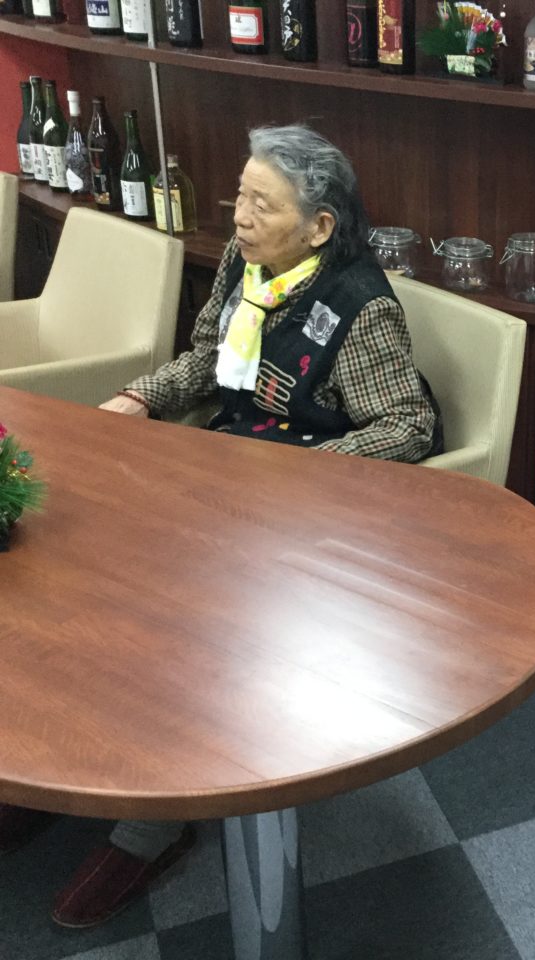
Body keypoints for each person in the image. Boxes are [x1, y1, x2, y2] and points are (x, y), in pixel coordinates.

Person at [0, 124, 442, 929]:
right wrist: (140, 396)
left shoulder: (359, 306)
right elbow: (209, 358)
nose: (238, 216)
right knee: (88, 577)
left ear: (320, 226)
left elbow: (406, 426)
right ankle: (62, 773)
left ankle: (148, 828)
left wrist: (305, 474)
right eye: (240, 195)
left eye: (261, 204)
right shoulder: (247, 264)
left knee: (168, 624)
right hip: (222, 469)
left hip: (300, 505)